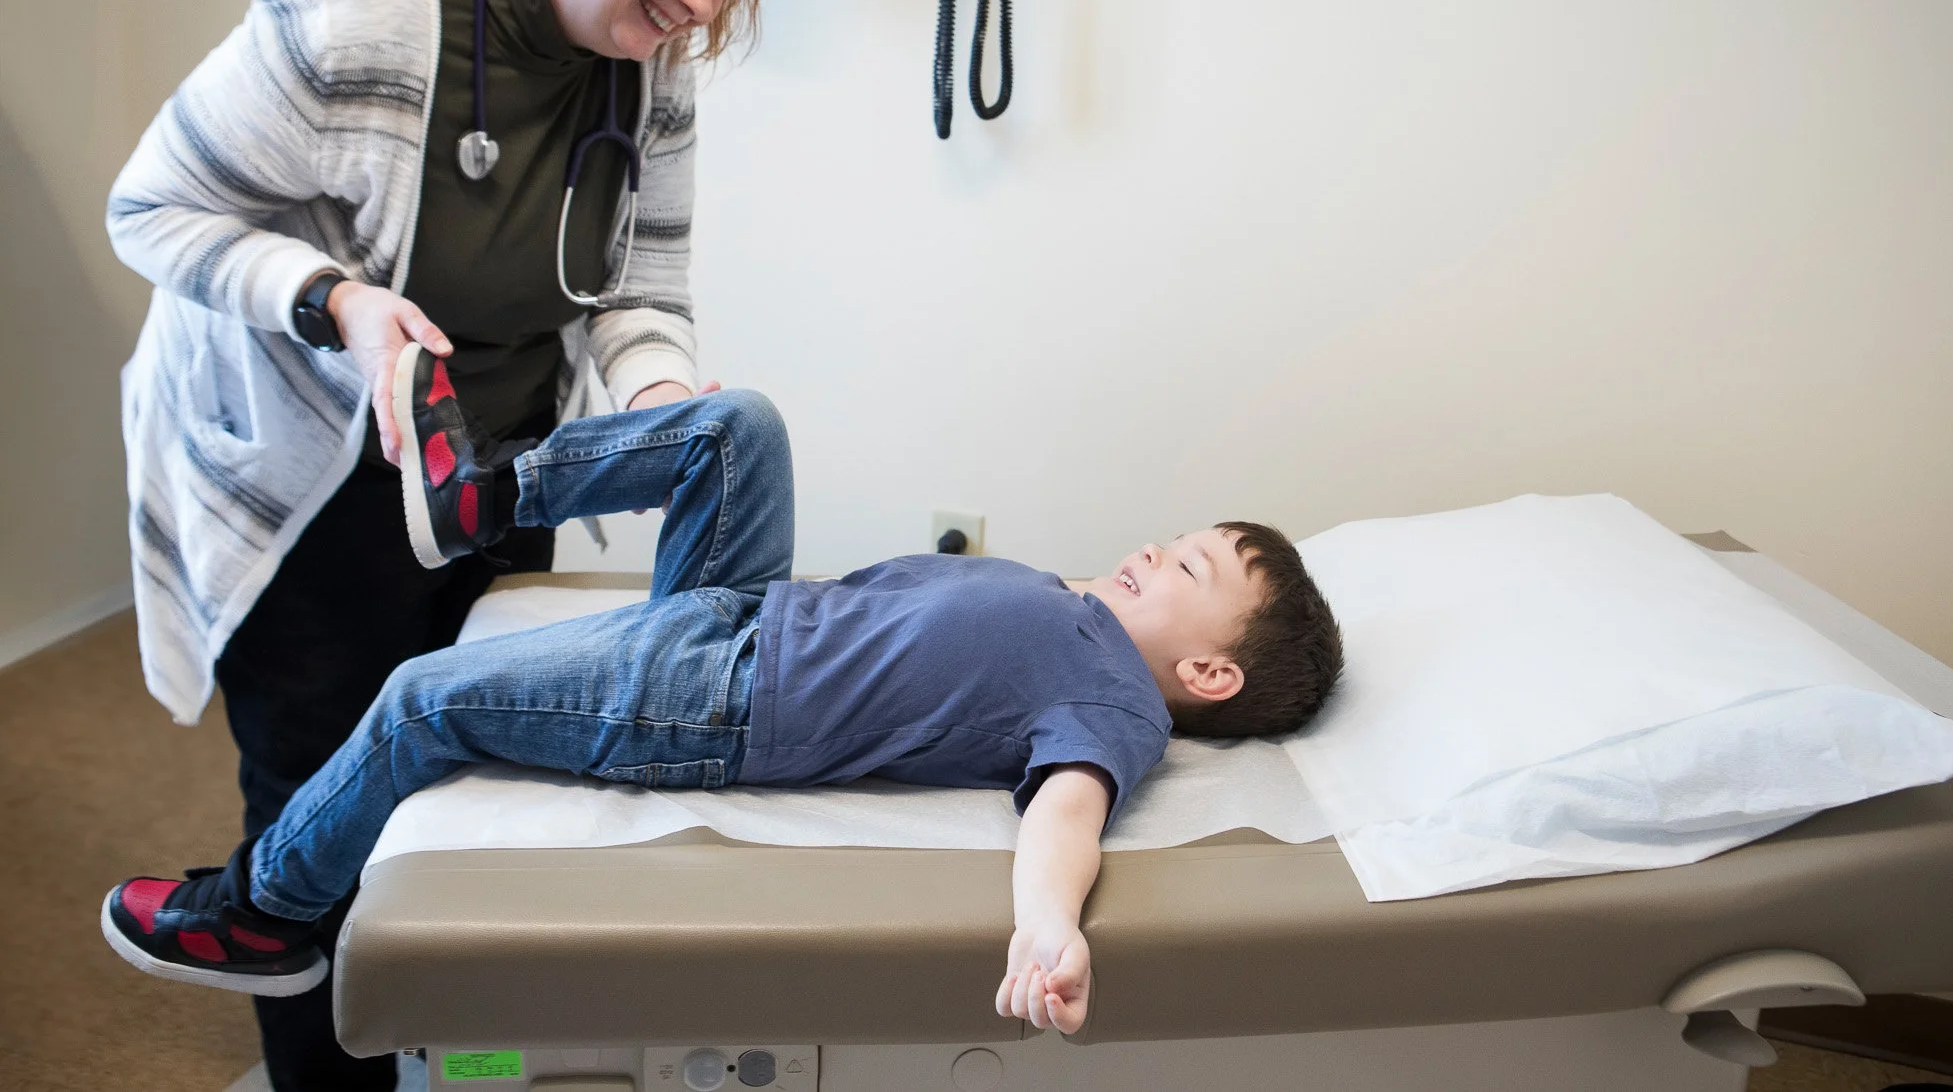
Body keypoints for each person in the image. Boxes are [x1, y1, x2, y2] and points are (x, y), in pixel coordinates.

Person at [103, 0, 794, 1089]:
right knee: (318, 798)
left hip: (491, 470)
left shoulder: (651, 79)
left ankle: (456, 1064)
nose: (703, 6)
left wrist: (660, 412)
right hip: (306, 468)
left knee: (467, 784)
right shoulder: (351, 9)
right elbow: (151, 209)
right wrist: (337, 304)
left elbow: (641, 288)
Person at [103, 348, 1344, 1036]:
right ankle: (486, 497)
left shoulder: (1113, 712)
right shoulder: (1082, 611)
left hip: (716, 695)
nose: (1155, 549)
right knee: (734, 423)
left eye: (1185, 565)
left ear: (1209, 674)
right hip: (741, 612)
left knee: (423, 696)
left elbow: (1062, 817)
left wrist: (1047, 931)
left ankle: (267, 909)